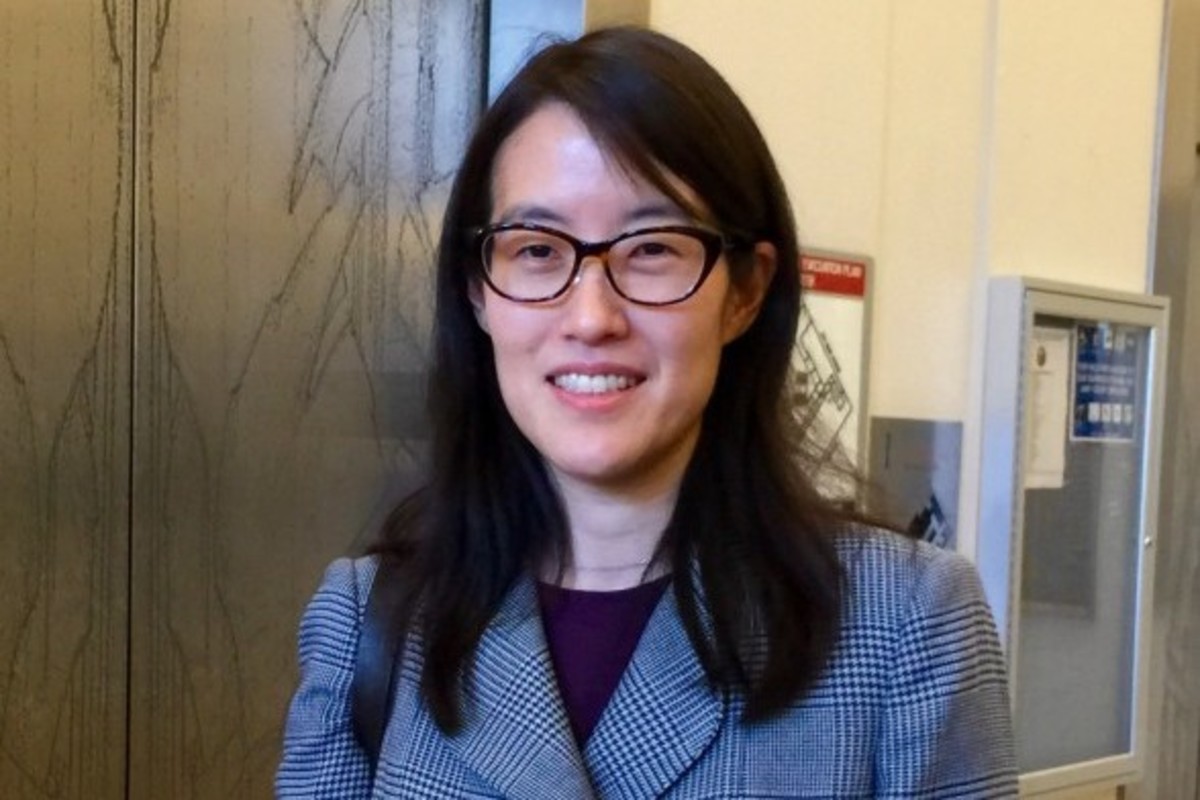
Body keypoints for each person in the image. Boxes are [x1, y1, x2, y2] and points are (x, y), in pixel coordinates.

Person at [277, 26, 1017, 799]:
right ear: (478, 290)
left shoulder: (904, 622)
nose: (591, 317)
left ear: (745, 292)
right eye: (537, 249)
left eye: (653, 247)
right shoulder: (370, 622)